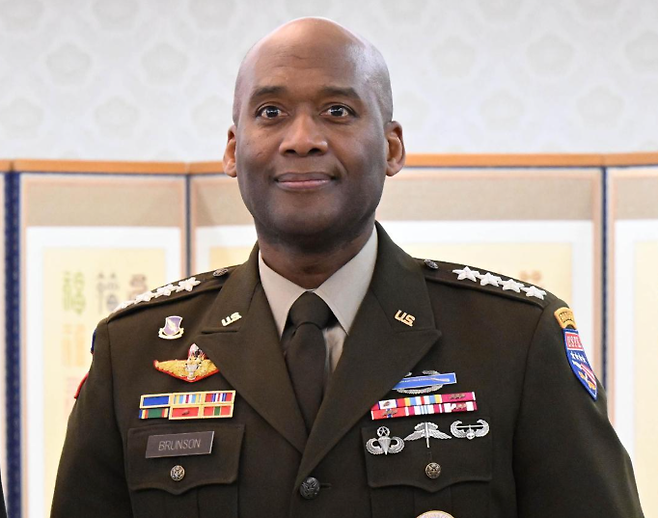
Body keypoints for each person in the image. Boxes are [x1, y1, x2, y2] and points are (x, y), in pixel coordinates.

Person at [51, 17, 644, 518]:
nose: (301, 139)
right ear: (233, 150)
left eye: (337, 110)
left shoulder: (516, 339)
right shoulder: (133, 352)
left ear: (392, 147)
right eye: (270, 112)